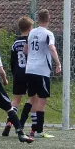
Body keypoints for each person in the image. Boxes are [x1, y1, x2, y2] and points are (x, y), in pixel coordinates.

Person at [24, 9, 61, 138]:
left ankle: (33, 130)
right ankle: (39, 130)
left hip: (29, 69)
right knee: (42, 99)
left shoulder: (32, 32)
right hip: (41, 70)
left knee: (33, 98)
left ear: (38, 19)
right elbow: (52, 48)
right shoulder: (48, 34)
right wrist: (58, 63)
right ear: (49, 19)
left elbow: (26, 49)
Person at [2, 16, 35, 137]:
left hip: (18, 73)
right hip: (30, 72)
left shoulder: (15, 43)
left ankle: (9, 122)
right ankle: (21, 123)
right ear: (31, 28)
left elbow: (12, 61)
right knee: (32, 98)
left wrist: (14, 72)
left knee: (15, 100)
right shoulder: (32, 41)